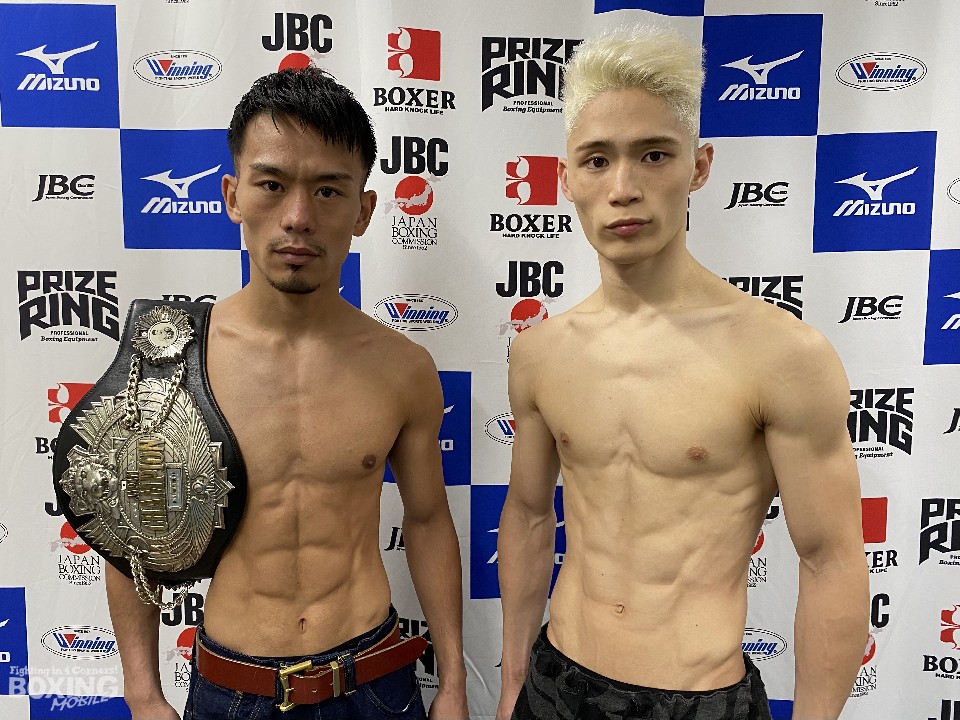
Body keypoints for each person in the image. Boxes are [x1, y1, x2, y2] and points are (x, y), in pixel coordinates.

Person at [496, 25, 869, 720]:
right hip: (555, 682)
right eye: (597, 160)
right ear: (565, 179)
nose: (624, 188)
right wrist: (514, 678)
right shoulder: (541, 351)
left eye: (654, 155)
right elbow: (527, 513)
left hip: (697, 700)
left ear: (698, 167)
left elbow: (831, 560)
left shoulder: (782, 355)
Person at [106, 67, 469, 720]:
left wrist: (454, 684)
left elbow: (427, 520)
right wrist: (143, 693)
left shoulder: (403, 367)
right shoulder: (170, 360)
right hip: (231, 689)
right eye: (272, 185)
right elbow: (130, 536)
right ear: (232, 195)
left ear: (364, 211)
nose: (299, 218)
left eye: (328, 191)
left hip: (374, 685)